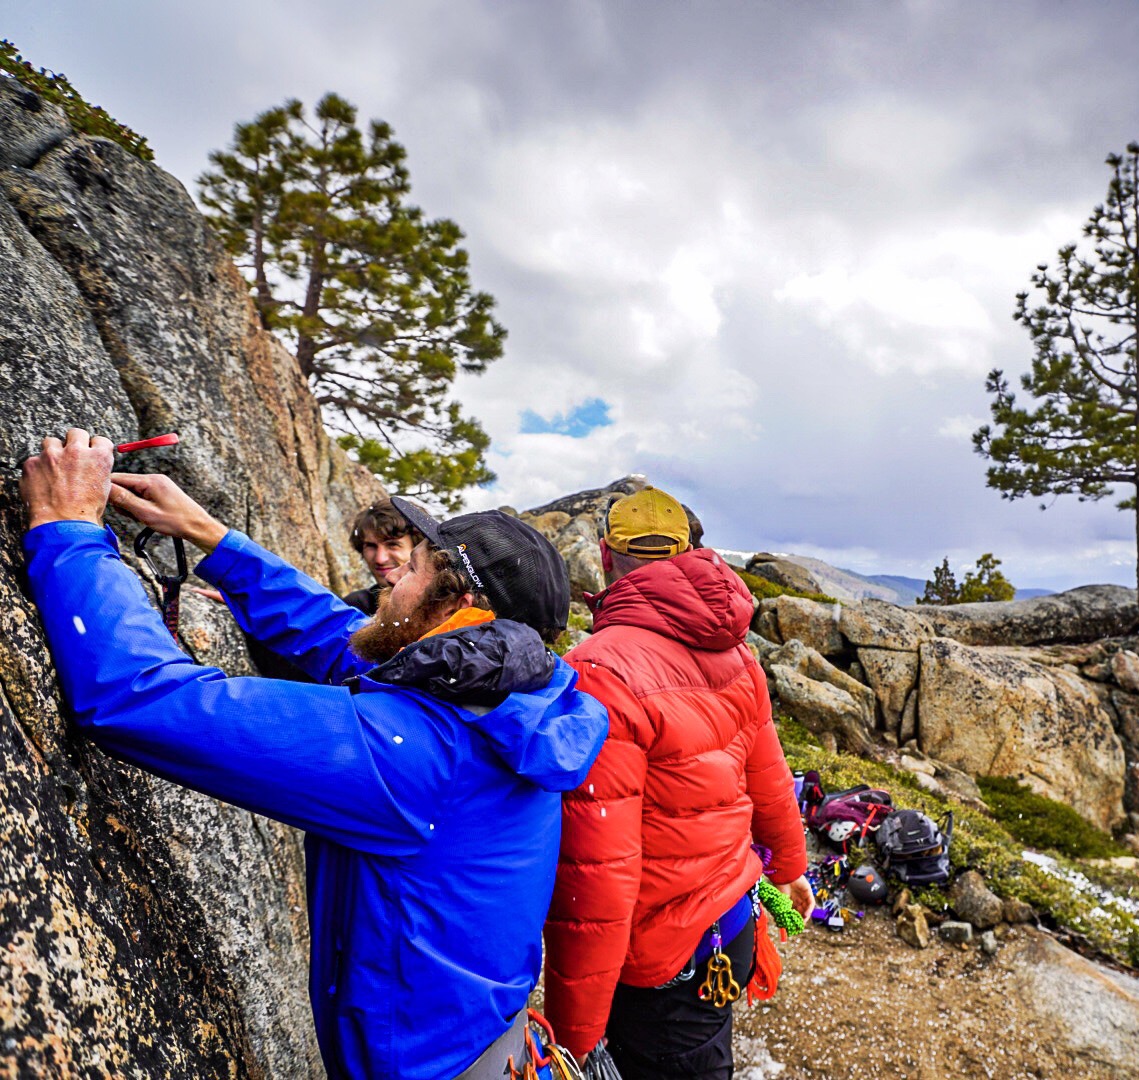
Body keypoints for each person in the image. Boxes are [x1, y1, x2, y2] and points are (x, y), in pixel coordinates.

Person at [19, 429, 609, 1079]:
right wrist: (210, 537)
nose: (390, 585)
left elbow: (142, 697)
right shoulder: (515, 697)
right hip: (492, 1050)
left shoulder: (417, 756)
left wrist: (69, 529)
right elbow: (349, 641)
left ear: (459, 610)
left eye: (411, 570)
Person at [544, 487, 811, 1079]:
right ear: (689, 551)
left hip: (662, 963)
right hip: (733, 923)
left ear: (606, 555)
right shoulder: (737, 650)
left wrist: (572, 1033)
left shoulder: (598, 667)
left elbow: (599, 869)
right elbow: (768, 776)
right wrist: (791, 870)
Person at [345, 497, 421, 615]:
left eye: (392, 545)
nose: (380, 559)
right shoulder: (356, 607)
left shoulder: (448, 605)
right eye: (371, 546)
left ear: (419, 549)